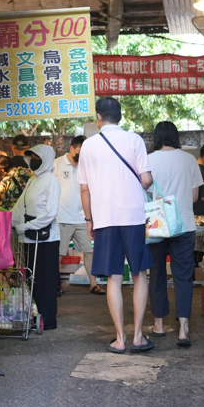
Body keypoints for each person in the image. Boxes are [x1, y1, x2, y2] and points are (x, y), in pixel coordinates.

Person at [78, 97, 155, 354]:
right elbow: (146, 179)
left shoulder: (88, 146)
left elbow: (85, 189)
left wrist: (89, 220)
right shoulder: (134, 140)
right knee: (140, 274)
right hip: (133, 217)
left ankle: (120, 339)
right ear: (120, 117)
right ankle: (138, 337)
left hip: (105, 218)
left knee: (114, 277)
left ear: (98, 118)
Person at [146, 121, 204, 346]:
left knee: (157, 273)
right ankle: (183, 329)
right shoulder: (189, 160)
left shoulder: (148, 160)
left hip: (157, 225)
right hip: (184, 225)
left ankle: (159, 325)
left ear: (156, 137)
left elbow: (145, 192)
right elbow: (194, 197)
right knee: (183, 276)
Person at [12, 144, 61, 330]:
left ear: (46, 159)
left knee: (46, 280)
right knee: (33, 279)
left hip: (46, 239)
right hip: (30, 237)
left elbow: (51, 213)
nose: (33, 160)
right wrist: (10, 222)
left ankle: (47, 320)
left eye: (36, 157)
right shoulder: (33, 180)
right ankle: (36, 315)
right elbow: (20, 206)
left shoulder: (52, 181)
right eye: (31, 157)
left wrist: (25, 226)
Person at [54, 136, 103, 295]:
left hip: (82, 218)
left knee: (89, 252)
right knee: (59, 253)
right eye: (79, 152)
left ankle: (93, 284)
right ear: (71, 148)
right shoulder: (57, 164)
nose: (81, 155)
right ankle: (54, 286)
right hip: (62, 218)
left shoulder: (87, 164)